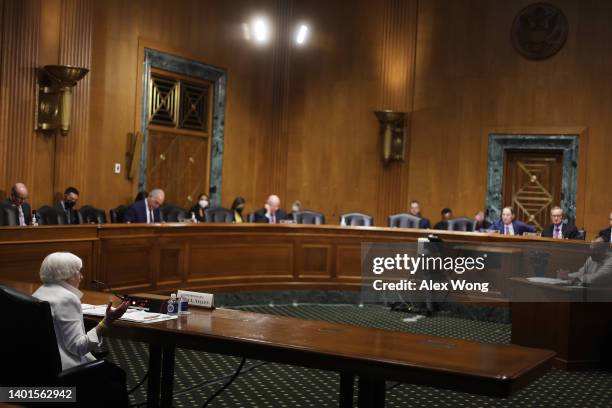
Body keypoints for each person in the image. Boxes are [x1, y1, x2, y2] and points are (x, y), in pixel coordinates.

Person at [32, 252, 130, 406]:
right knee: (116, 375)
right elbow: (78, 347)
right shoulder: (67, 299)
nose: (81, 277)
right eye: (78, 272)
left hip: (40, 371)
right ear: (66, 275)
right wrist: (107, 321)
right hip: (67, 375)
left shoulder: (39, 292)